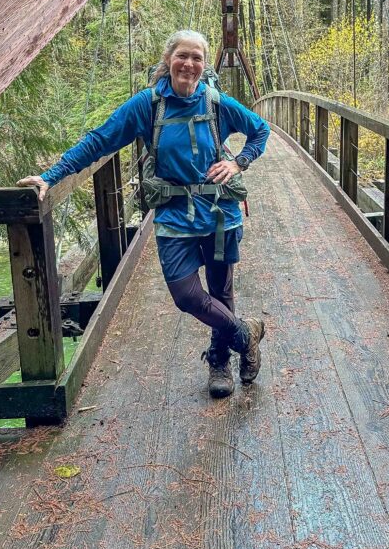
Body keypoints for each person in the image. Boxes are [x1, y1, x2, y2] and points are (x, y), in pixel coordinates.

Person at [17, 30, 270, 398]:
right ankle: (246, 335)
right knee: (186, 295)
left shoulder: (217, 103)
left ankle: (220, 360)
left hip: (218, 214)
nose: (189, 64)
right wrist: (50, 176)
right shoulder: (147, 105)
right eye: (183, 56)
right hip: (173, 218)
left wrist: (239, 163)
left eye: (197, 57)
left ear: (204, 64)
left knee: (220, 289)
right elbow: (99, 140)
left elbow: (259, 131)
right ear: (168, 60)